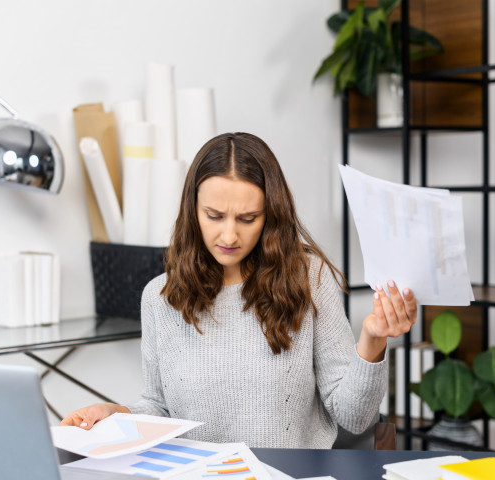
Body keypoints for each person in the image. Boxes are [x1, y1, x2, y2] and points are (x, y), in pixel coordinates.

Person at [61, 132, 417, 448]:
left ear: (271, 216)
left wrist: (372, 339)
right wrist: (114, 413)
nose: (230, 236)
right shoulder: (160, 297)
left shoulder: (309, 279)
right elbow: (159, 408)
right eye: (214, 216)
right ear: (192, 211)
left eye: (248, 219)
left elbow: (353, 418)